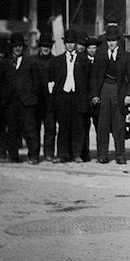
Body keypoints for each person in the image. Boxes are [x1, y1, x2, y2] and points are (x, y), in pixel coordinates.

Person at [90, 25, 130, 165]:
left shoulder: (127, 56)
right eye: (109, 40)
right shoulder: (100, 56)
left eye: (114, 40)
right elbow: (94, 77)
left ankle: (120, 155)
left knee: (119, 126)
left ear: (118, 41)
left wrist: (129, 95)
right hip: (104, 91)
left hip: (119, 92)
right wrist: (95, 94)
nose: (111, 43)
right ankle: (102, 155)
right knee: (102, 125)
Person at [49, 27, 90, 163]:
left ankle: (76, 154)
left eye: (72, 43)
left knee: (78, 127)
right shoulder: (57, 61)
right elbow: (53, 81)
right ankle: (62, 154)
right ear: (64, 44)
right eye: (68, 43)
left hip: (78, 97)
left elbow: (88, 80)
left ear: (76, 44)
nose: (70, 45)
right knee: (63, 127)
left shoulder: (84, 60)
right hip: (63, 97)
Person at [3, 33, 42, 163]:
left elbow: (36, 82)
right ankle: (13, 155)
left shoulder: (30, 62)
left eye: (20, 46)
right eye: (15, 46)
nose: (18, 49)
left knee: (30, 129)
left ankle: (33, 156)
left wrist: (31, 95)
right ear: (11, 48)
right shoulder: (5, 62)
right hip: (11, 102)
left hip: (26, 101)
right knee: (12, 129)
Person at [34, 33, 56, 161]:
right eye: (43, 46)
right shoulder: (33, 61)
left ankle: (48, 153)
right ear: (39, 47)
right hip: (36, 101)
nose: (45, 48)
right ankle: (35, 154)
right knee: (35, 128)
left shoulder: (55, 61)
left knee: (50, 128)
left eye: (48, 46)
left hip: (50, 101)